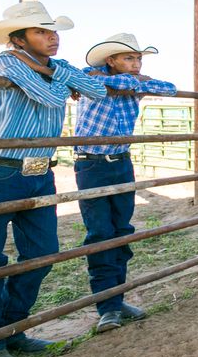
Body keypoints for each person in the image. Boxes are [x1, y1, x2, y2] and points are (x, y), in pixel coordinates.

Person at [0, 1, 107, 357]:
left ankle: (12, 329)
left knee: (42, 253)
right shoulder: (6, 62)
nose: (53, 38)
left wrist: (59, 74)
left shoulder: (56, 67)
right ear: (18, 39)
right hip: (0, 172)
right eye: (42, 32)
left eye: (53, 32)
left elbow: (96, 92)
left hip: (40, 172)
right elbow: (51, 96)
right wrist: (66, 80)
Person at [76, 33, 177, 333]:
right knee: (100, 234)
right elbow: (85, 80)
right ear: (111, 60)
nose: (136, 65)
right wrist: (133, 83)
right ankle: (107, 306)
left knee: (121, 231)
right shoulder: (88, 79)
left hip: (121, 162)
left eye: (138, 60)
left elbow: (169, 88)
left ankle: (116, 300)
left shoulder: (127, 81)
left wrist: (132, 82)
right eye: (129, 59)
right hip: (91, 164)